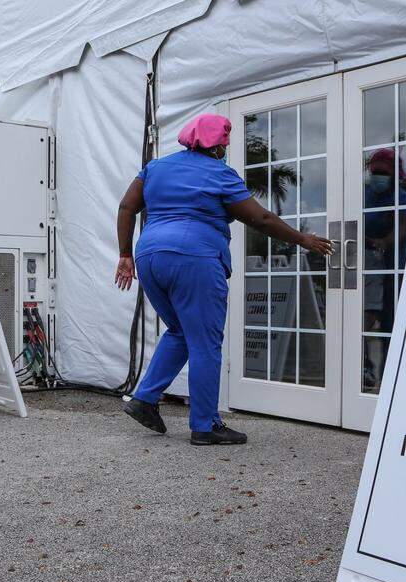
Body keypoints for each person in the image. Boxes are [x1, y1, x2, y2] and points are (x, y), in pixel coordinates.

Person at [114, 114, 333, 446]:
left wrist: (124, 254)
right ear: (217, 146)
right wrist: (303, 240)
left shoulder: (155, 168)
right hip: (194, 258)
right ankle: (205, 425)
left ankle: (144, 399)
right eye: (224, 145)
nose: (224, 151)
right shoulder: (219, 173)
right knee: (205, 342)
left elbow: (127, 206)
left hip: (150, 257)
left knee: (180, 331)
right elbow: (260, 217)